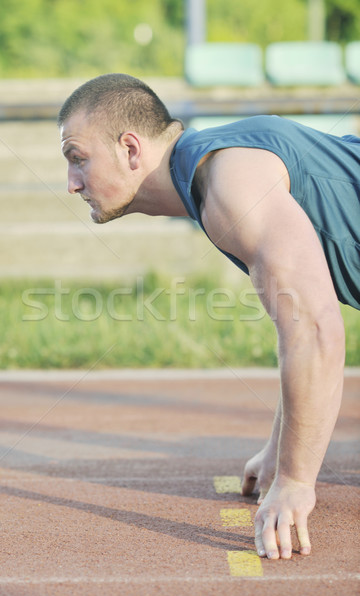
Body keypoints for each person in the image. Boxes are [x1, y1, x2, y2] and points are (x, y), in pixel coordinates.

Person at [58, 73, 360, 560]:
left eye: (77, 159)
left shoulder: (230, 183)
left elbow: (317, 328)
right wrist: (283, 451)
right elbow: (303, 325)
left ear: (131, 149)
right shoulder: (215, 173)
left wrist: (296, 480)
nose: (72, 184)